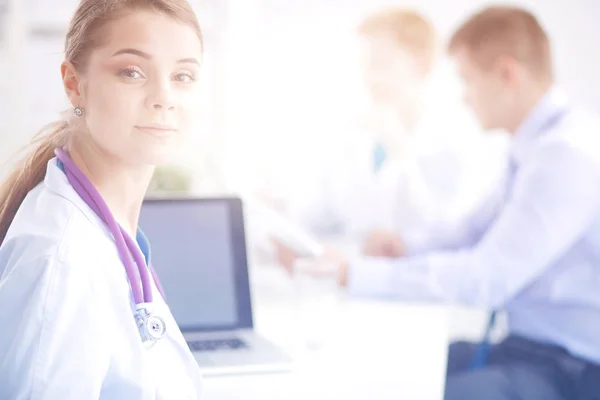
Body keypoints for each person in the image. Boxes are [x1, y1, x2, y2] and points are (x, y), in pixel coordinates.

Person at [314, 6, 600, 399]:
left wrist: (357, 274)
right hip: (522, 348)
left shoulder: (566, 156)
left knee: (402, 391)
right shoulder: (534, 148)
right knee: (379, 367)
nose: (464, 97)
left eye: (467, 80)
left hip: (570, 369)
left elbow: (488, 277)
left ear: (506, 75)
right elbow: (471, 231)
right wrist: (406, 246)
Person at [0, 0, 205, 398]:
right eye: (132, 72)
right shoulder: (61, 260)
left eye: (183, 75)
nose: (164, 97)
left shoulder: (109, 229)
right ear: (74, 83)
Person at [271, 7, 507, 270]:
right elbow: (318, 220)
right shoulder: (355, 140)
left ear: (422, 64)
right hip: (352, 294)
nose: (369, 78)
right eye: (364, 65)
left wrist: (401, 152)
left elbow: (442, 238)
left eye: (380, 64)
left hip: (425, 302)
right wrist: (280, 214)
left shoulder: (457, 141)